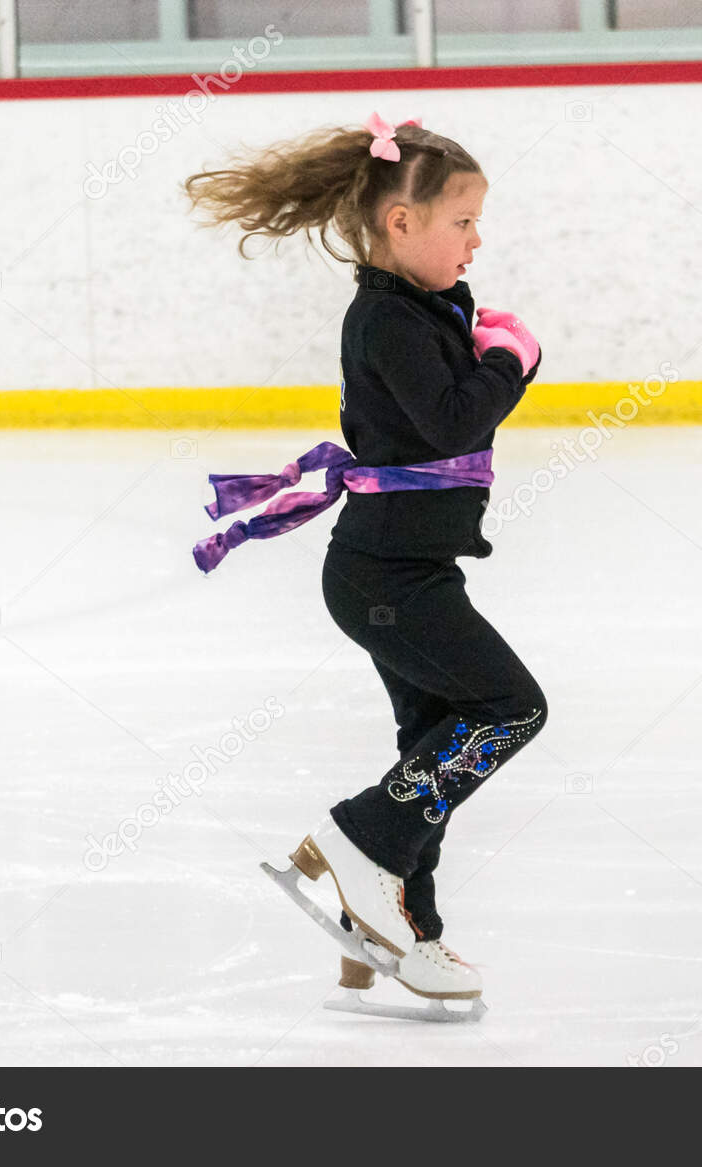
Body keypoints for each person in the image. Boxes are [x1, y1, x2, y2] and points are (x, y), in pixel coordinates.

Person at [183, 113, 548, 1001]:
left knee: (432, 743)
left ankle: (387, 924)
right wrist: (511, 361)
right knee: (509, 706)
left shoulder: (414, 308)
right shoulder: (385, 319)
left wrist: (474, 332)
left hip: (400, 570)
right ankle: (359, 839)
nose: (476, 239)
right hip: (390, 578)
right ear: (402, 224)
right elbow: (453, 420)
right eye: (462, 221)